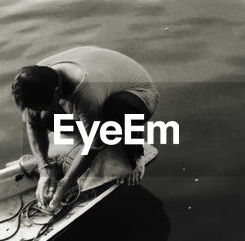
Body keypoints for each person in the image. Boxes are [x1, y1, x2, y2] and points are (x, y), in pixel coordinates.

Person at [11, 46, 159, 211]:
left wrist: (64, 186)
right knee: (44, 117)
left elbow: (91, 146)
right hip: (95, 95)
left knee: (115, 112)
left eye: (45, 104)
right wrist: (44, 170)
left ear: (56, 92)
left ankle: (136, 153)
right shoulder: (33, 85)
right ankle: (96, 130)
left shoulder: (86, 92)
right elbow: (33, 124)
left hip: (137, 95)